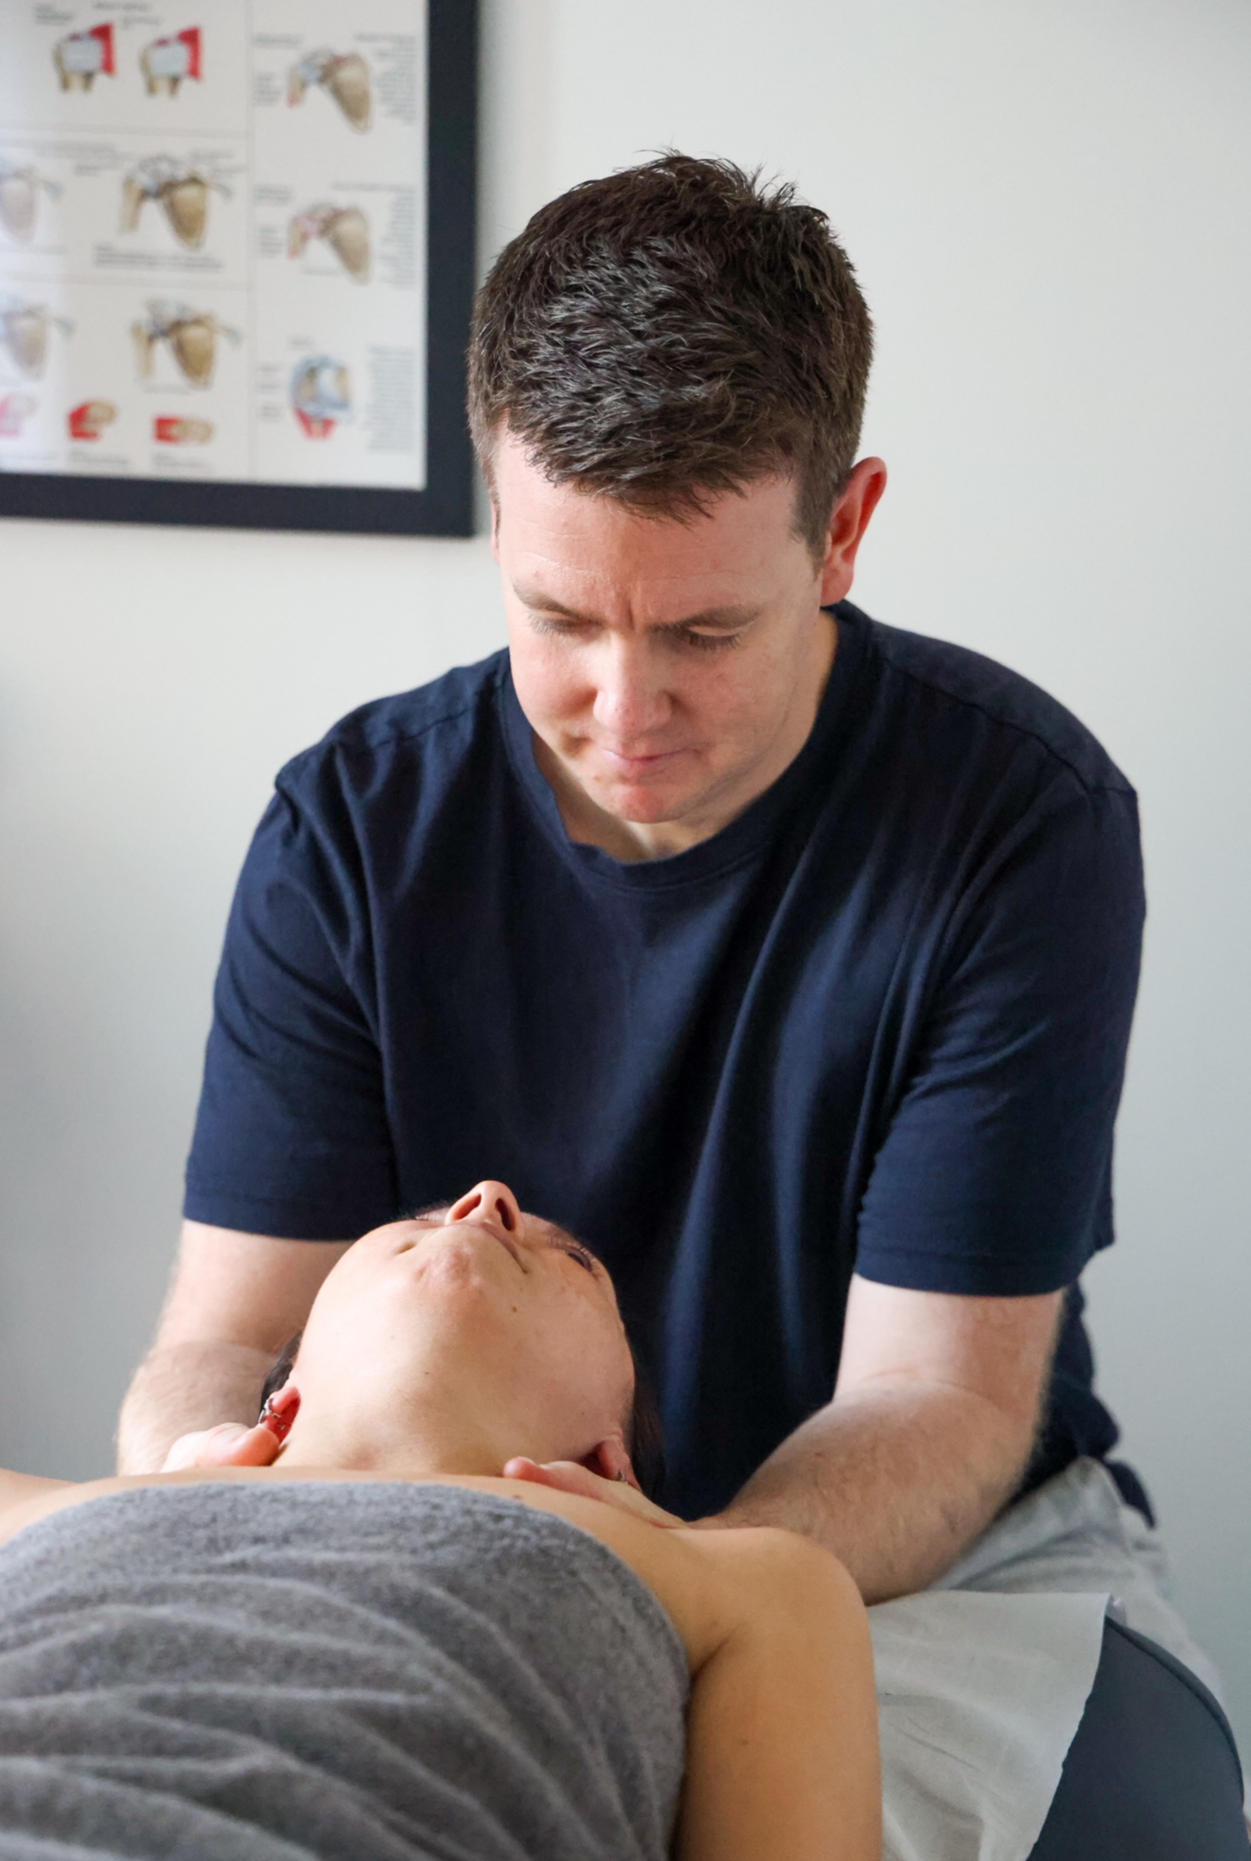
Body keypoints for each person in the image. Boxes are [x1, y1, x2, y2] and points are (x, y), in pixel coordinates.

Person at [117, 156, 1245, 1850]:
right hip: (431, 1560)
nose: (623, 710)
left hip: (928, 1561)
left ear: (843, 529)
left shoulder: (1014, 821)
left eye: (705, 630)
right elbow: (220, 1340)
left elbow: (932, 1403)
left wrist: (667, 1606)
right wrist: (213, 1491)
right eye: (558, 618)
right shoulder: (352, 827)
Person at [0, 1182, 880, 1860]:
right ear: (286, 1390)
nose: (486, 1200)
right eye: (417, 1217)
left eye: (571, 1256)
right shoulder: (78, 1505)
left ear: (607, 1461)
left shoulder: (735, 1578)